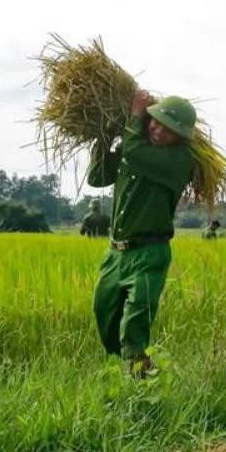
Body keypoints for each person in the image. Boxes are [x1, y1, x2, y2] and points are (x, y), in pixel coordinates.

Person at [88, 91, 195, 377]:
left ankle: (138, 387)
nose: (157, 130)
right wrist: (102, 136)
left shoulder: (180, 160)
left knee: (134, 324)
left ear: (180, 136)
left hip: (150, 254)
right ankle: (140, 372)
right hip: (115, 254)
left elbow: (134, 154)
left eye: (167, 129)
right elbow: (97, 177)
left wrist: (135, 116)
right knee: (104, 314)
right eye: (155, 122)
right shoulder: (134, 145)